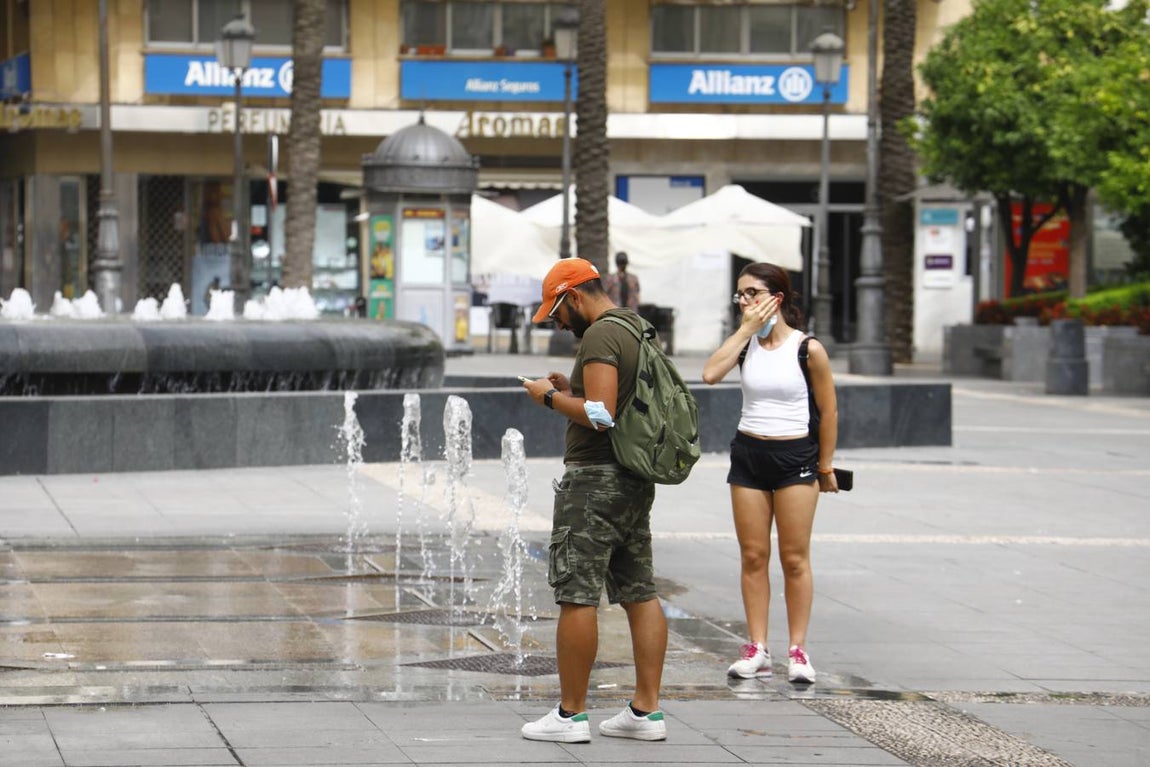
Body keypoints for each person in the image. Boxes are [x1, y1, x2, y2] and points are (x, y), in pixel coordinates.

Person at [519, 257, 668, 744]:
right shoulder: (636, 327)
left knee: (576, 592)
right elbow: (616, 400)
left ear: (575, 297)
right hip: (631, 477)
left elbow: (601, 415)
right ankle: (646, 712)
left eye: (558, 312)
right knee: (638, 589)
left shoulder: (601, 334)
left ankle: (570, 715)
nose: (558, 323)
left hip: (596, 480)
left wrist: (546, 396)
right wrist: (572, 388)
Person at [701, 262, 839, 685]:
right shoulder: (744, 345)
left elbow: (829, 409)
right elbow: (709, 375)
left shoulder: (807, 348)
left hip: (796, 457)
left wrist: (826, 466)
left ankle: (797, 650)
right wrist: (744, 330)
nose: (744, 301)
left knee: (794, 559)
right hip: (749, 455)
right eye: (740, 294)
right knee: (753, 556)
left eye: (752, 293)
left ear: (776, 298)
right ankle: (757, 648)